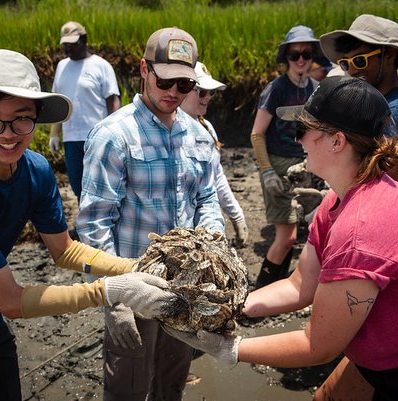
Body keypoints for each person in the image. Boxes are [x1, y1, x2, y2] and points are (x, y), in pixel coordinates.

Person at [166, 76, 398, 401]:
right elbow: (300, 285)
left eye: (302, 131)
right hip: (389, 353)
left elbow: (317, 346)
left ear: (337, 141)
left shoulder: (363, 226)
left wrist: (231, 349)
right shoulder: (337, 199)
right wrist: (225, 306)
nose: (299, 141)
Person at [0, 49, 176, 401]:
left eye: (22, 119)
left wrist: (133, 267)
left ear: (38, 116)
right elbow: (10, 301)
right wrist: (111, 291)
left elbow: (65, 249)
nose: (8, 134)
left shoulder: (36, 171)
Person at [77, 28, 225, 401]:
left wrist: (213, 251)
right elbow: (95, 223)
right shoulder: (113, 135)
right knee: (127, 386)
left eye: (184, 83)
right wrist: (114, 299)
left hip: (184, 288)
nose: (174, 92)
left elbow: (206, 198)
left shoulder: (199, 136)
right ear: (144, 69)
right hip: (134, 287)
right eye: (165, 80)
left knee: (171, 382)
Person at [320, 14, 398, 196]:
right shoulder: (380, 104)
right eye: (345, 63)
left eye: (360, 60)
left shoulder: (394, 112)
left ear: (389, 55)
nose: (352, 70)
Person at [250, 25, 322, 288]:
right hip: (279, 167)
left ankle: (277, 289)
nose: (301, 59)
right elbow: (257, 134)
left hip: (308, 167)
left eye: (306, 53)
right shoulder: (276, 89)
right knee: (287, 236)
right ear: (287, 58)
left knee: (305, 232)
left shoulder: (317, 87)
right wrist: (267, 171)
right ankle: (259, 291)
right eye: (295, 55)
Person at [49, 21, 121, 202]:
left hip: (97, 136)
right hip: (71, 137)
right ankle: (86, 223)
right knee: (77, 184)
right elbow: (59, 100)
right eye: (65, 44)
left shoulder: (101, 65)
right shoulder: (61, 66)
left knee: (100, 183)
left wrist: (116, 133)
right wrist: (54, 134)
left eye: (72, 44)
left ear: (83, 40)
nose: (68, 48)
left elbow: (112, 101)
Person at [180, 60, 248, 248]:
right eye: (202, 92)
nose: (208, 97)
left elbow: (216, 177)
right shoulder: (169, 132)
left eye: (212, 92)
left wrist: (236, 215)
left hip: (205, 227)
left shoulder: (206, 128)